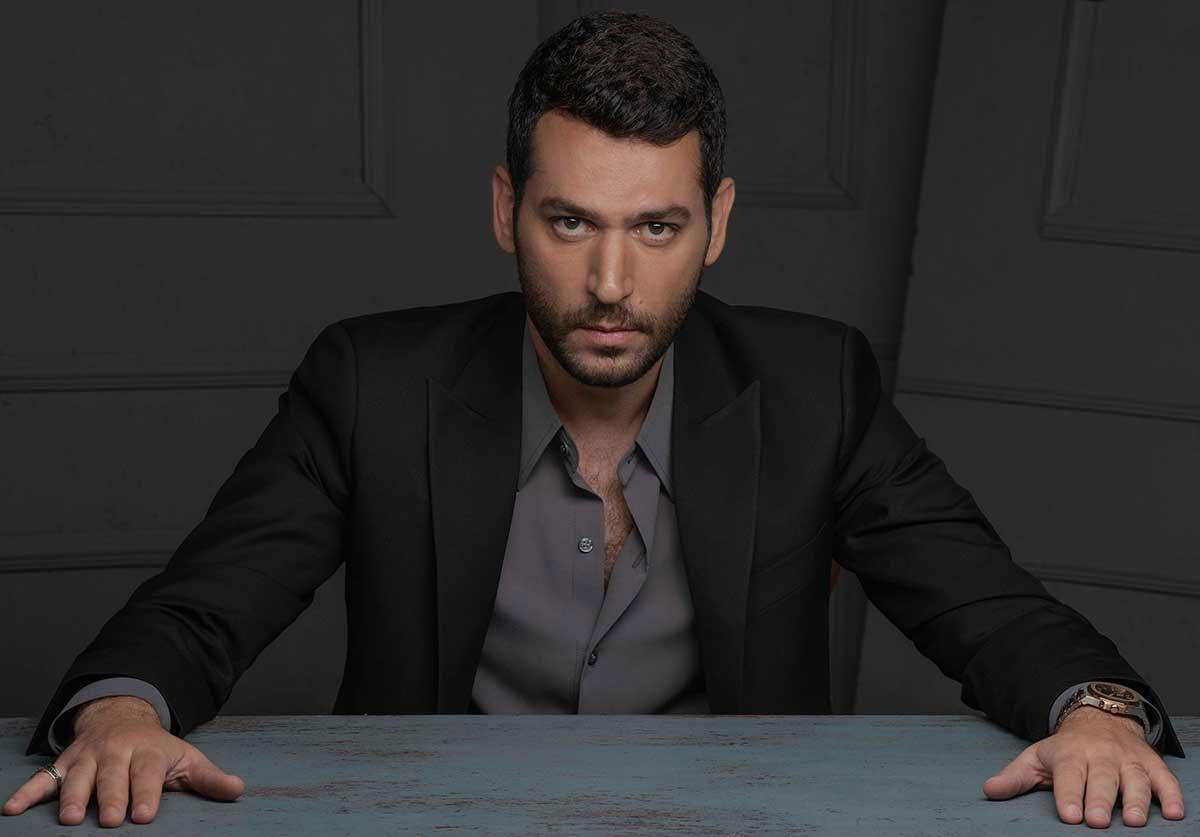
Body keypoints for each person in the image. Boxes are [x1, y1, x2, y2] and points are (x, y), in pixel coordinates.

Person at [3, 9, 1186, 830]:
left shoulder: (815, 385)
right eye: (570, 223)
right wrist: (121, 712)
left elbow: (984, 603)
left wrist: (1098, 714)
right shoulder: (371, 381)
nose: (612, 284)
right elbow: (205, 604)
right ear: (506, 210)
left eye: (657, 229)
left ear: (717, 223)